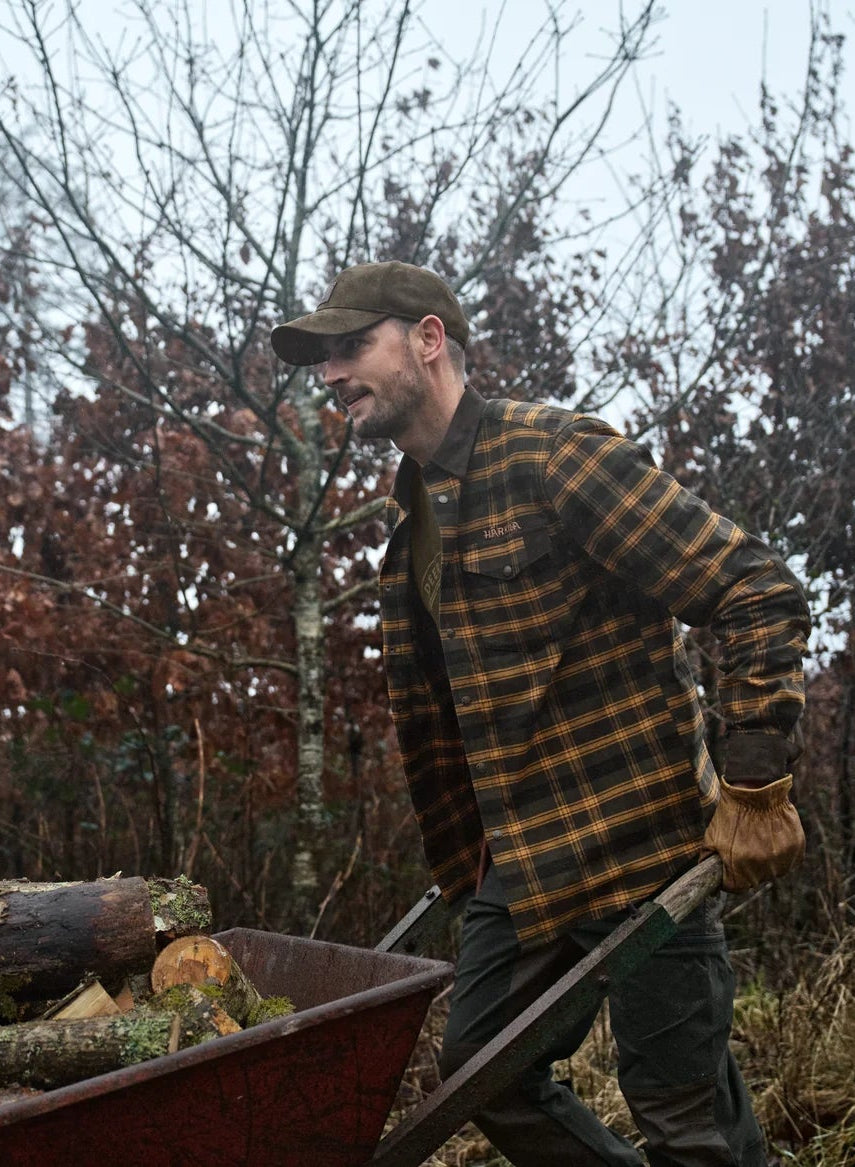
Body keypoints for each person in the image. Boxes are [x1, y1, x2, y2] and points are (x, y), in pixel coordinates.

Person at [271, 261, 809, 1167]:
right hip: (523, 870)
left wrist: (753, 784)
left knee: (684, 1119)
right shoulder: (412, 527)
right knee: (480, 1076)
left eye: (351, 346)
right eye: (323, 357)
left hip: (644, 856)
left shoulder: (553, 456)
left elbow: (755, 588)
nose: (329, 374)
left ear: (428, 339)